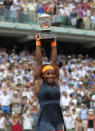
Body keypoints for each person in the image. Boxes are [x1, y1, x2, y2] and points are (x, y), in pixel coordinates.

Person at [34, 34, 66, 131]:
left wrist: (53, 43)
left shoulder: (56, 81)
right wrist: (38, 42)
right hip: (45, 119)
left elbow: (54, 61)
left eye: (52, 73)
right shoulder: (39, 83)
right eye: (47, 74)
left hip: (58, 119)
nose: (51, 76)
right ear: (42, 75)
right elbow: (39, 61)